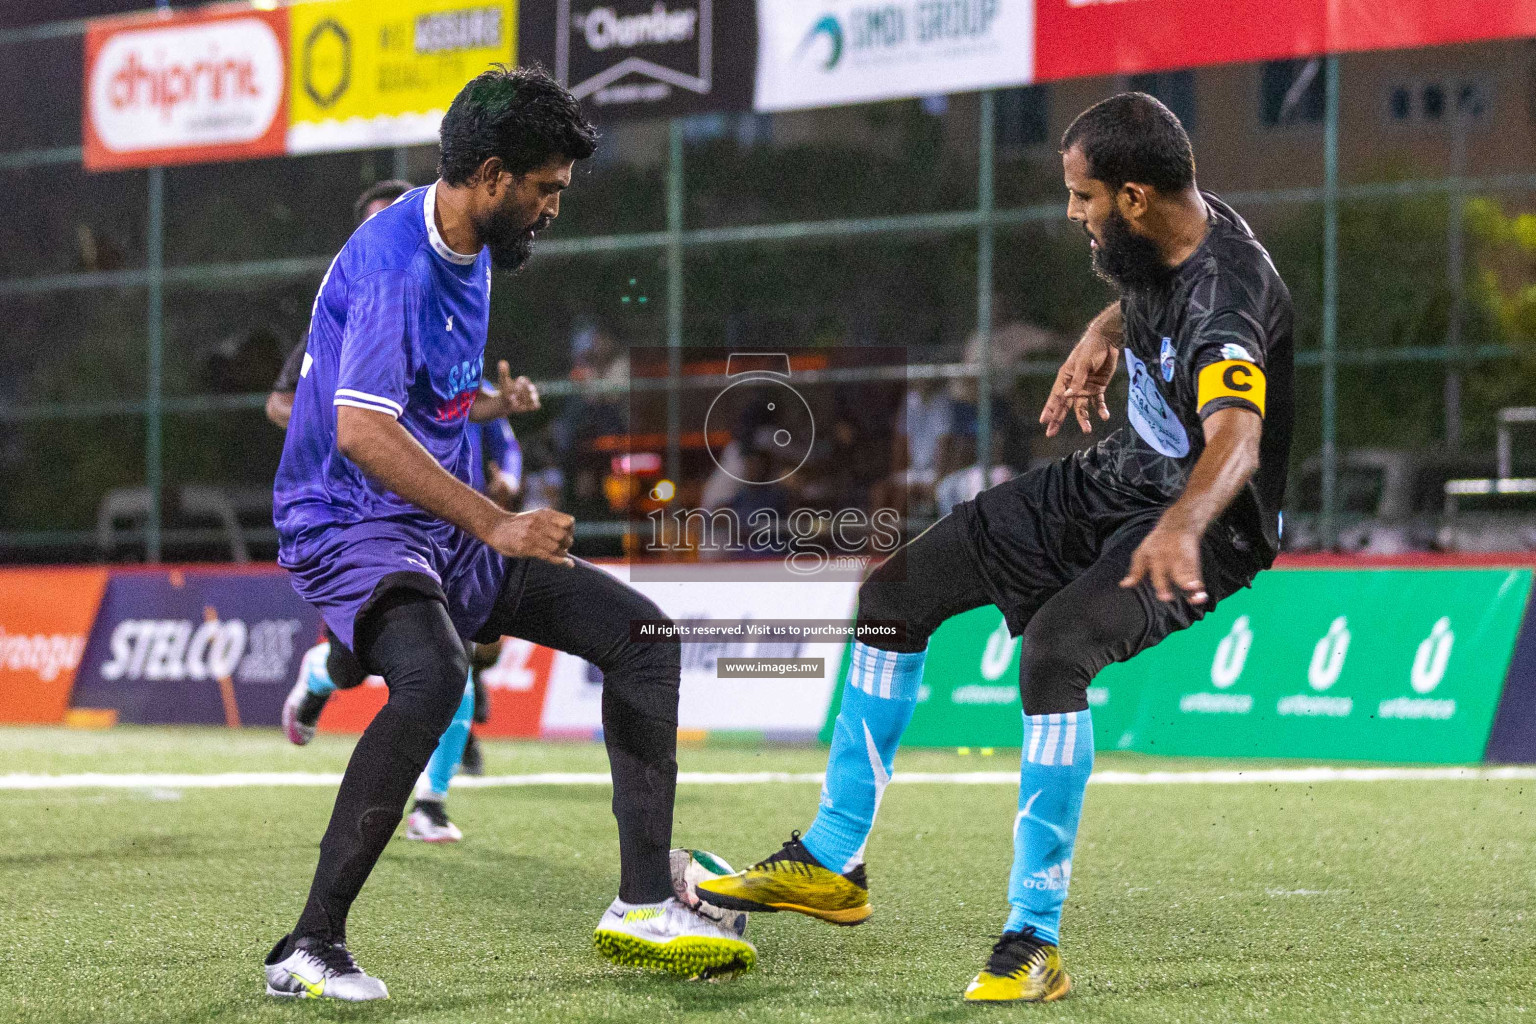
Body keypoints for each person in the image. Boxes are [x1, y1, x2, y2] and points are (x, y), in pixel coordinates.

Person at [697, 92, 1293, 1004]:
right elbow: (1150, 292)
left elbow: (1237, 437)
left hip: (1205, 526)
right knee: (894, 594)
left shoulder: (1230, 297)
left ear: (1134, 197)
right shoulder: (1162, 229)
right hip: (1110, 480)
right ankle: (831, 858)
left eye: (1083, 197)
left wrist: (1180, 525)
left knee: (1056, 652)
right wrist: (1105, 329)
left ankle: (1033, 939)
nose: (1072, 214)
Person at [263, 66, 753, 1003]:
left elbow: (427, 404)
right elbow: (363, 432)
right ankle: (309, 946)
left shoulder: (471, 248)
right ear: (492, 175)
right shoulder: (400, 263)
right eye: (546, 190)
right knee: (436, 675)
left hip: (433, 524)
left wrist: (487, 432)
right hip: (347, 519)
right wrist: (499, 521)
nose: (552, 209)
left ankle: (645, 901)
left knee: (643, 640)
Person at [273, 180, 538, 843]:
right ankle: (317, 678)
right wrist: (323, 419)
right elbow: (297, 406)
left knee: (464, 652)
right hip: (360, 518)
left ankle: (433, 803)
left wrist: (499, 408)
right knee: (351, 664)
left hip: (439, 507)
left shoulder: (441, 294)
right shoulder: (344, 309)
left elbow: (454, 400)